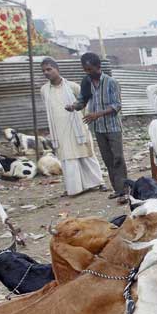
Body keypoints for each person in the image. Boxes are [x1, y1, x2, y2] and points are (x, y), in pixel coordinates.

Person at [66, 53, 127, 203]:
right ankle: (117, 190)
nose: (88, 72)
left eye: (90, 69)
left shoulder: (111, 82)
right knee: (108, 160)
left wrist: (97, 114)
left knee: (118, 158)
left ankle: (125, 190)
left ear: (98, 67)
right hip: (99, 128)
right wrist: (73, 106)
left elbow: (116, 106)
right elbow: (82, 100)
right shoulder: (86, 82)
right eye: (85, 69)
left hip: (113, 127)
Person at [39, 57, 105, 196]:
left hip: (78, 127)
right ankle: (75, 189)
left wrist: (87, 121)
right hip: (59, 130)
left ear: (57, 69)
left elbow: (86, 103)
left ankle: (96, 183)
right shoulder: (44, 90)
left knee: (85, 154)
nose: (46, 72)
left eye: (49, 69)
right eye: (44, 70)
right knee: (67, 158)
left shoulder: (73, 86)